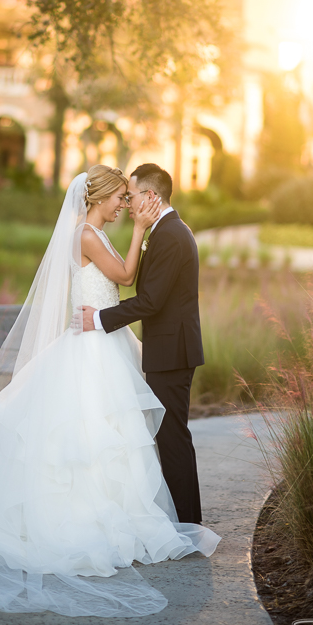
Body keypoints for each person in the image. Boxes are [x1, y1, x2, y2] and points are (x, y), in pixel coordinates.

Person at [0, 166, 220, 617]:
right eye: (120, 196)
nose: (125, 202)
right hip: (94, 344)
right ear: (98, 198)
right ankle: (127, 519)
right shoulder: (87, 235)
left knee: (128, 433)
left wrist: (133, 241)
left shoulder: (143, 233)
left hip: (113, 339)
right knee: (89, 432)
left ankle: (172, 519)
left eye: (130, 195)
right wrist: (137, 232)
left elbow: (134, 286)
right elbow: (128, 280)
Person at [79, 164, 204, 524]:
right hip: (169, 350)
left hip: (172, 352)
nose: (129, 205)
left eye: (131, 197)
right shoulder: (165, 230)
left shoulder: (169, 235)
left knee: (172, 438)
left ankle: (187, 524)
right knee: (168, 436)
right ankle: (183, 519)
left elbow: (150, 301)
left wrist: (100, 319)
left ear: (151, 196)